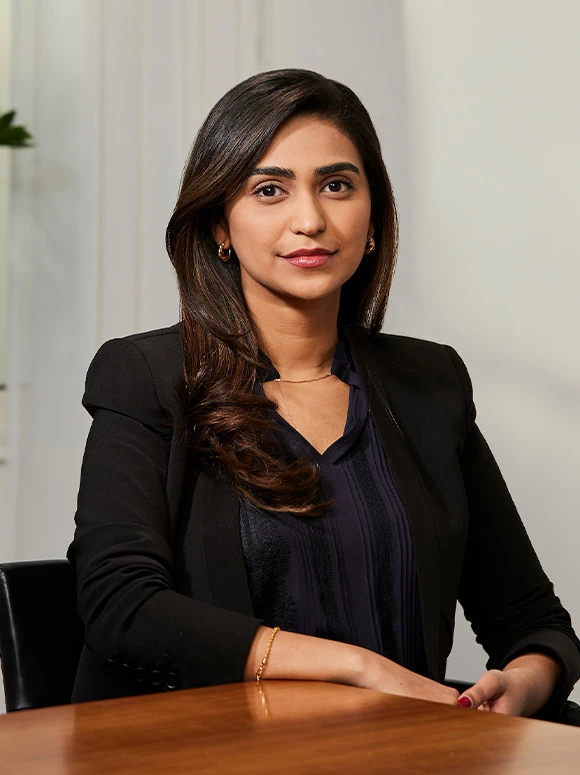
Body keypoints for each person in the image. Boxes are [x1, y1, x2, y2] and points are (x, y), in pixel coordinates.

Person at [68, 68, 580, 718]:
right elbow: (123, 607)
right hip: (213, 755)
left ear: (372, 218)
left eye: (336, 185)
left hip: (402, 752)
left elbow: (530, 617)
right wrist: (356, 667)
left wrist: (522, 684)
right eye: (269, 189)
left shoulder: (431, 383)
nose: (309, 219)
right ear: (221, 225)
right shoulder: (145, 376)